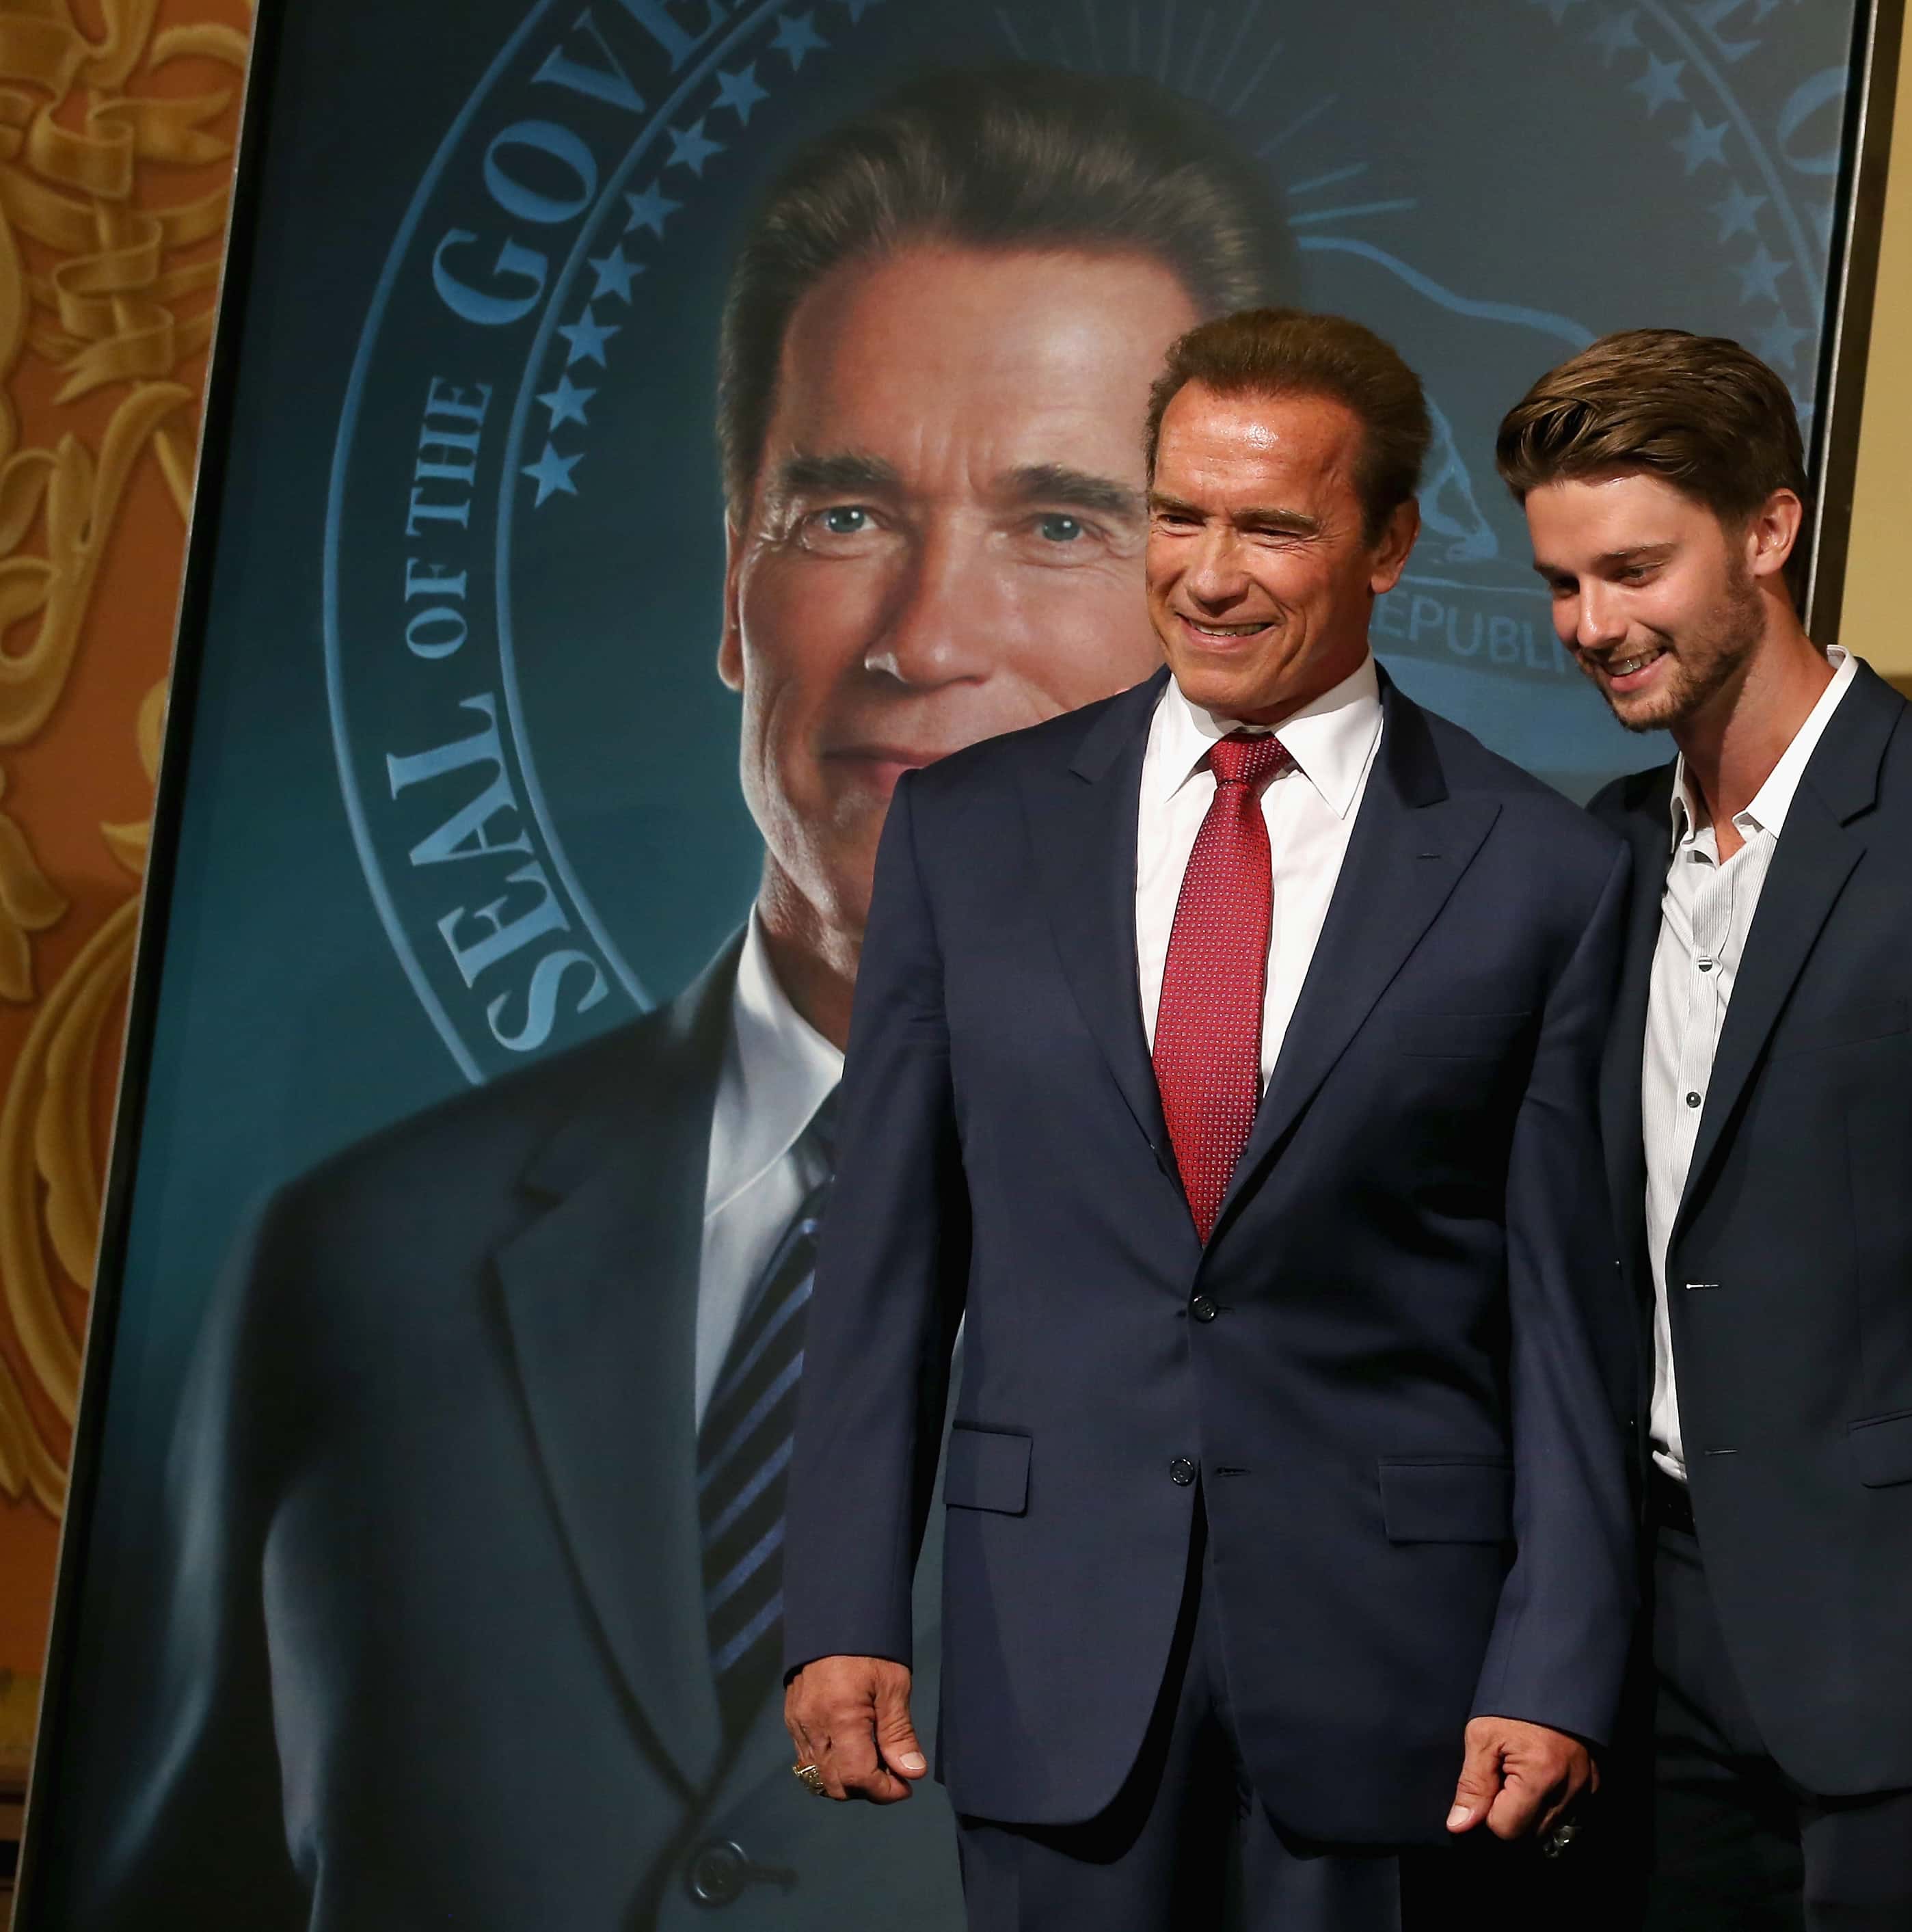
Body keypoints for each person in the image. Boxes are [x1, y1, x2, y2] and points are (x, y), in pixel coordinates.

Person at [62, 66, 1291, 1929]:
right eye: (846, 510)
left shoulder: (1389, 1271)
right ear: (735, 580)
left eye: (1062, 525)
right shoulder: (350, 1264)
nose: (928, 634)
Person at [778, 307, 1638, 1931]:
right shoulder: (971, 836)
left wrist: (1561, 1655)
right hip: (1052, 1658)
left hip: (1402, 1685)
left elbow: (1568, 1322)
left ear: (1388, 544)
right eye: (1177, 514)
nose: (1208, 572)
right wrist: (840, 1606)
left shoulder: (1542, 876)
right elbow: (885, 1264)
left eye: (1271, 527)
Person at [1496, 328, 1912, 1929]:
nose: (1594, 626)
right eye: (1564, 585)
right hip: (1652, 1659)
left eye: (1633, 569)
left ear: (1770, 531)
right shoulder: (1605, 849)